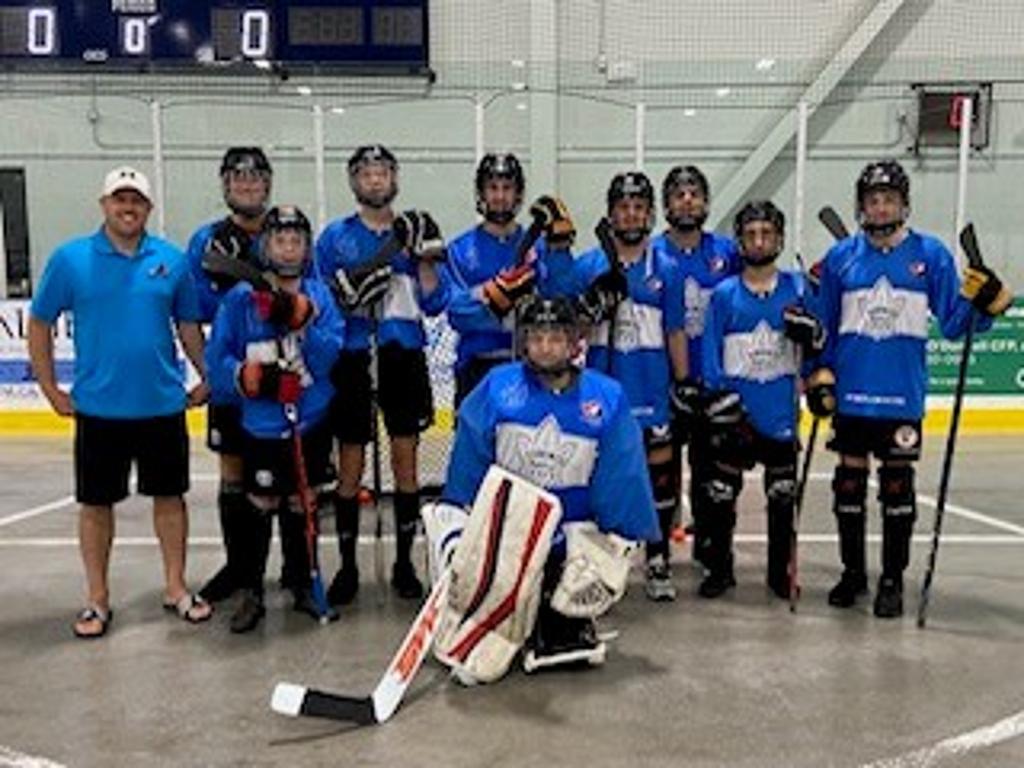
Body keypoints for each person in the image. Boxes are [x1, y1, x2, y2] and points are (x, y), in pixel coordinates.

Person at [811, 159, 1012, 617]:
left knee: (897, 488)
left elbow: (955, 324)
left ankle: (892, 579)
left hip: (902, 395)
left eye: (889, 200)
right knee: (848, 485)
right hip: (852, 395)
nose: (881, 208)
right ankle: (853, 573)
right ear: (861, 206)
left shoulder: (932, 255)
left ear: (904, 204)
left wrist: (986, 305)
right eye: (873, 200)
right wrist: (820, 373)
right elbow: (824, 326)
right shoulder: (842, 257)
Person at [28, 166, 212, 638]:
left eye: (136, 200)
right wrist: (49, 388)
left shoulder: (171, 260)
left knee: (170, 499)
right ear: (104, 205)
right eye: (119, 199)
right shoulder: (71, 260)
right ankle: (97, 599)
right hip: (99, 409)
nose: (127, 208)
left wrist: (208, 376)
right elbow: (40, 323)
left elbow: (187, 326)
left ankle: (175, 588)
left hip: (162, 405)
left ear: (148, 208)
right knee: (96, 505)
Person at [432, 297, 659, 680]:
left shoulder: (606, 398)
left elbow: (622, 476)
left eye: (556, 338)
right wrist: (459, 523)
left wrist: (620, 540)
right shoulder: (497, 387)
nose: (546, 347)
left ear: (574, 343)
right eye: (537, 338)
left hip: (573, 535)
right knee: (493, 633)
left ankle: (559, 620)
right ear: (524, 342)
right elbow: (469, 461)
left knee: (563, 623)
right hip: (509, 532)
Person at [314, 144, 448, 605]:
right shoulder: (335, 238)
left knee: (405, 460)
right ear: (354, 181)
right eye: (366, 173)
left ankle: (405, 564)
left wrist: (425, 260)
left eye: (382, 172)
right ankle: (348, 567)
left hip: (402, 351)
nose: (375, 180)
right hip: (353, 355)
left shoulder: (412, 229)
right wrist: (348, 293)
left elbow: (434, 301)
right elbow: (322, 297)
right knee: (350, 461)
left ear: (394, 178)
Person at [205, 205, 345, 631]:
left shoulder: (319, 296)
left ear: (307, 247)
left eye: (296, 240)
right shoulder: (240, 299)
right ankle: (250, 590)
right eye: (280, 240)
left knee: (303, 499)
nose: (288, 249)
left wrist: (303, 321)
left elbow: (328, 357)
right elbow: (217, 359)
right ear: (266, 245)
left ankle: (302, 583)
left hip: (310, 420)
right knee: (260, 501)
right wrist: (247, 378)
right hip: (261, 424)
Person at [557, 171, 688, 602]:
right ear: (610, 214)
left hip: (650, 388)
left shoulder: (667, 268)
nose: (630, 214)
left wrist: (683, 382)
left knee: (659, 475)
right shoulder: (587, 266)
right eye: (623, 207)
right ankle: (598, 562)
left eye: (638, 207)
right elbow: (568, 332)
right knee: (600, 477)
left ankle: (658, 557)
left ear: (649, 214)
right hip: (601, 392)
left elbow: (674, 331)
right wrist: (590, 309)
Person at [699, 201, 826, 598]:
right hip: (736, 415)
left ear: (779, 239)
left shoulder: (798, 289)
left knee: (783, 498)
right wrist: (718, 398)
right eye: (751, 234)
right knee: (721, 496)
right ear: (740, 241)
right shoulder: (724, 294)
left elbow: (818, 347)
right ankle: (719, 569)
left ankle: (780, 572)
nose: (758, 241)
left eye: (766, 233)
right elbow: (710, 351)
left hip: (780, 414)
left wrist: (813, 340)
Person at [186, 146, 274, 604]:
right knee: (233, 470)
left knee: (278, 474)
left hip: (277, 372)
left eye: (255, 178)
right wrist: (210, 373)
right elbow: (190, 312)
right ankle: (238, 568)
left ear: (267, 184)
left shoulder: (285, 231)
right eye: (238, 178)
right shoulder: (206, 240)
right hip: (230, 374)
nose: (247, 185)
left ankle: (289, 572)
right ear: (225, 184)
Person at [651, 165, 741, 570]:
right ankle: (659, 556)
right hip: (665, 385)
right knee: (662, 476)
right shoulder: (652, 254)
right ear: (666, 205)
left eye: (695, 194)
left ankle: (711, 551)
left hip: (713, 384)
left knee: (710, 476)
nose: (687, 201)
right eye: (678, 195)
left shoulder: (727, 253)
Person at [443, 152, 577, 406]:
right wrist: (494, 296)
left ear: (518, 194)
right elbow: (455, 312)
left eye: (507, 188)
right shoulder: (460, 250)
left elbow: (562, 295)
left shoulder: (538, 247)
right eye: (493, 188)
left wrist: (559, 248)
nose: (500, 196)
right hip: (477, 366)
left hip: (533, 364)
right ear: (481, 193)